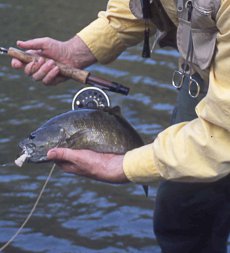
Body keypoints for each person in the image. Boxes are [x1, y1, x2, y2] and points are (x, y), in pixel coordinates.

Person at [11, 0, 230, 252]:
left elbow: (223, 134)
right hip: (207, 76)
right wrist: (75, 51)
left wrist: (123, 166)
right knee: (181, 215)